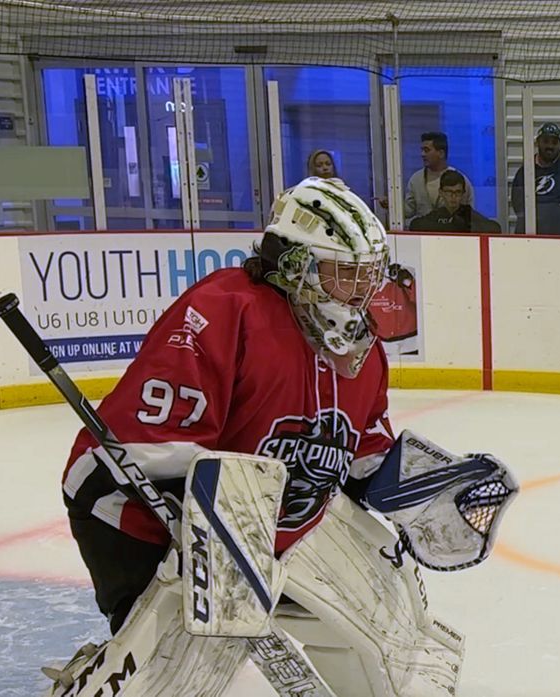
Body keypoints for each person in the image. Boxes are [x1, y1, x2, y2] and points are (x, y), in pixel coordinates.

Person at [48, 176, 516, 695]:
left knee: (401, 637)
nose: (361, 294)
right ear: (297, 266)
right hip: (140, 517)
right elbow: (144, 450)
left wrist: (422, 486)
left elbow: (359, 453)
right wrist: (224, 544)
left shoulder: (361, 353)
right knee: (181, 670)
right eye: (345, 275)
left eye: (369, 277)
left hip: (275, 520)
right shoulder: (226, 311)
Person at [403, 132, 473, 223]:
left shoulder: (460, 180)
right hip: (423, 233)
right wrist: (392, 206)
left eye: (426, 150)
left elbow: (469, 214)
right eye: (422, 150)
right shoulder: (416, 180)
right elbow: (408, 211)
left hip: (453, 233)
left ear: (441, 153)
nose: (422, 154)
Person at [409, 169, 500, 233]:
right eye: (449, 192)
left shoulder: (467, 213)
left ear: (463, 193)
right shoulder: (438, 214)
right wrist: (451, 226)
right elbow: (414, 225)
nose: (453, 197)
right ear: (441, 193)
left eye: (457, 192)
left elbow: (495, 228)